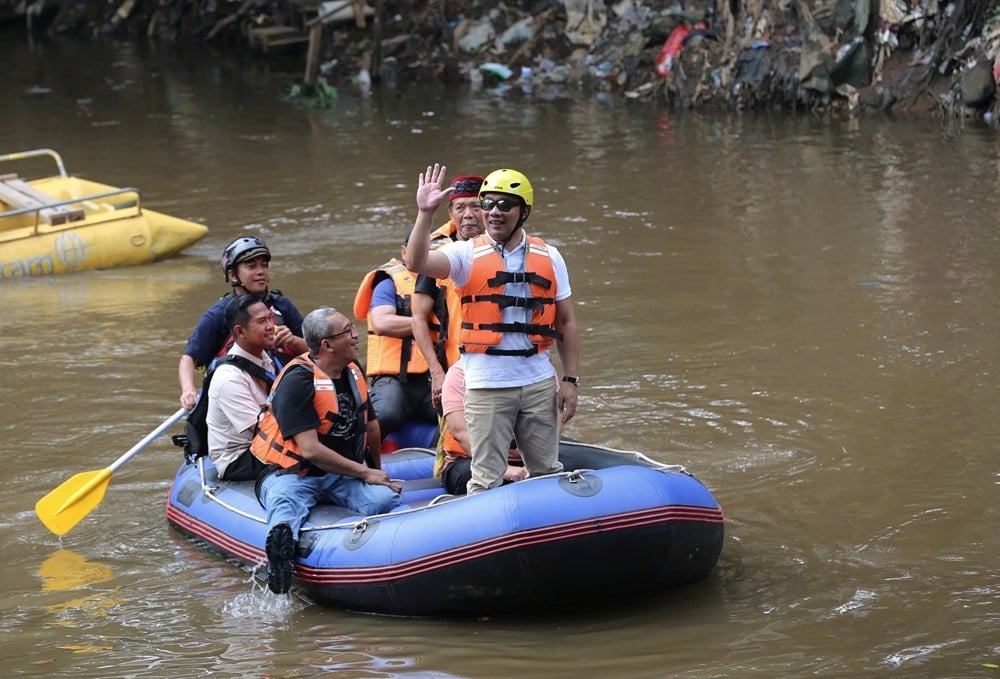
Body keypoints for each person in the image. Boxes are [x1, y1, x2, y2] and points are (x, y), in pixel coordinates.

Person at [404, 164, 580, 495]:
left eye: (504, 204)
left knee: (547, 472)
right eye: (488, 204)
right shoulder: (464, 254)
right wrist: (424, 213)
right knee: (486, 478)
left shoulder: (550, 256)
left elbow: (566, 321)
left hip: (537, 382)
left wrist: (570, 380)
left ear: (524, 211)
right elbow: (415, 262)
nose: (493, 212)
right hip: (486, 385)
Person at [250, 307, 403, 594]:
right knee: (285, 505)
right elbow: (310, 450)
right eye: (347, 331)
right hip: (292, 474)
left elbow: (371, 428)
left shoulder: (353, 371)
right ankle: (280, 556)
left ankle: (404, 551)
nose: (356, 335)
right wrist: (365, 472)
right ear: (327, 345)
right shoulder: (297, 381)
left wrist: (377, 471)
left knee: (384, 500)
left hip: (341, 476)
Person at [178, 236, 307, 410]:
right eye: (252, 266)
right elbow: (189, 359)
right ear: (232, 275)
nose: (261, 271)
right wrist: (188, 390)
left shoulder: (282, 306)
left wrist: (293, 341)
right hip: (241, 397)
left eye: (264, 265)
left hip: (286, 393)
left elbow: (316, 352)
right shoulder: (218, 315)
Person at [410, 175, 485, 407]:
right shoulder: (437, 257)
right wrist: (437, 373)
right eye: (460, 207)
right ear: (451, 214)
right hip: (455, 364)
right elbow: (418, 318)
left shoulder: (508, 251)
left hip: (498, 365)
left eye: (476, 206)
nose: (468, 214)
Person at [352, 237, 438, 438]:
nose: (423, 256)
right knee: (386, 415)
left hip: (434, 379)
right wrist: (429, 327)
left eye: (429, 251)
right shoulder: (389, 282)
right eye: (418, 249)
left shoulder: (448, 283)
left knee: (461, 416)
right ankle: (351, 460)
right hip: (395, 380)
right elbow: (381, 323)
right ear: (404, 252)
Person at [204, 294, 278, 481]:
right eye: (262, 321)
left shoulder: (265, 358)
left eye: (270, 318)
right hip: (238, 457)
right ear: (241, 331)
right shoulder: (228, 378)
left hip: (262, 444)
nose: (270, 326)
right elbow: (263, 432)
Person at [438, 360, 526, 495]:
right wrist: (502, 470)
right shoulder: (458, 374)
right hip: (470, 459)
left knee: (566, 465)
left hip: (525, 459)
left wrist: (535, 466)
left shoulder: (536, 368)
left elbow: (554, 423)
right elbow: (460, 433)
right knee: (474, 476)